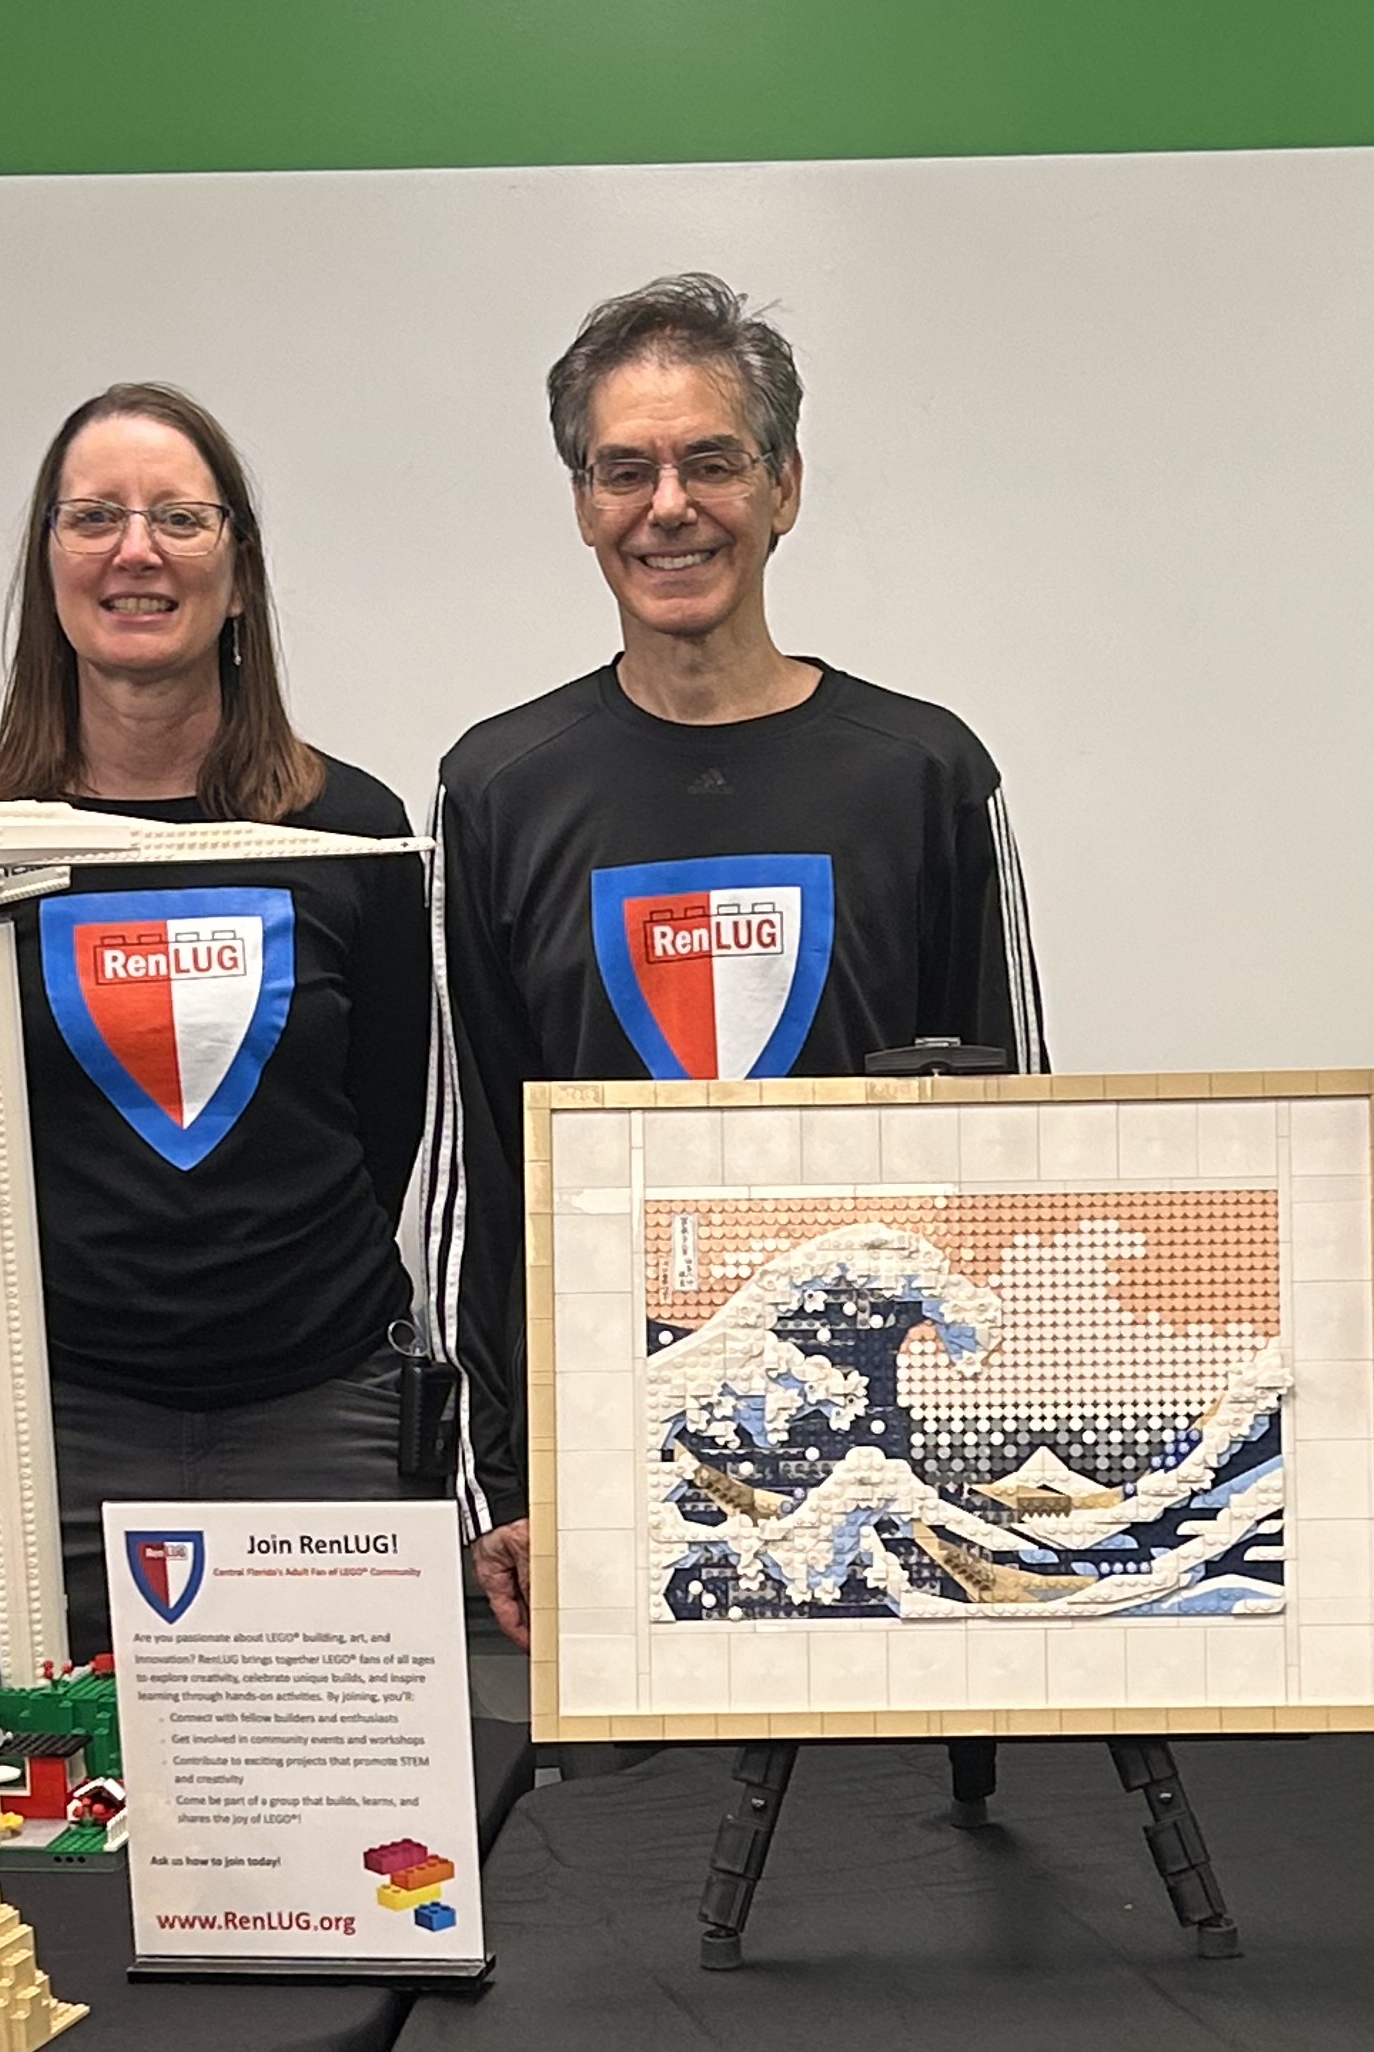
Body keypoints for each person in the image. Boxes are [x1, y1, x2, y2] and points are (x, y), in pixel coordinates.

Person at [431, 274, 1047, 1648]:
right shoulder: (498, 791)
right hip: (610, 1464)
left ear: (784, 487)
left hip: (883, 1459)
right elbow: (482, 1173)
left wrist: (982, 1448)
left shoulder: (924, 774)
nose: (669, 507)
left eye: (711, 462)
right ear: (583, 503)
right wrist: (508, 1485)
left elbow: (1011, 1150)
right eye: (625, 470)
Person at [0, 382, 442, 1657]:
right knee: (38, 1771)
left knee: (329, 1776)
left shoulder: (351, 833)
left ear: (238, 574)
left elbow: (385, 1121)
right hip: (51, 1414)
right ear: (49, 568)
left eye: (179, 518)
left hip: (320, 1409)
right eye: (94, 517)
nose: (136, 550)